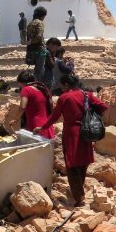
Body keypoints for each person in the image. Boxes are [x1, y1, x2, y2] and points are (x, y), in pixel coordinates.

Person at [36, 73, 108, 207]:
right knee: (83, 162)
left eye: (62, 85)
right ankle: (78, 192)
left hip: (72, 133)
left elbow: (54, 117)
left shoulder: (64, 97)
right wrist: (90, 114)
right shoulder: (87, 95)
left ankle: (79, 198)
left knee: (72, 164)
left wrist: (42, 127)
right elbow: (103, 106)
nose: (61, 88)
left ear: (67, 84)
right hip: (86, 132)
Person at [16, 72, 54, 138]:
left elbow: (22, 106)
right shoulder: (42, 88)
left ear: (21, 82)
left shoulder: (26, 89)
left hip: (36, 125)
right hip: (47, 124)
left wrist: (16, 119)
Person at [25, 7, 47, 83]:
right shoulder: (40, 23)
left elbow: (27, 38)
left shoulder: (30, 23)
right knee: (40, 70)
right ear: (43, 15)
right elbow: (39, 36)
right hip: (40, 49)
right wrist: (33, 41)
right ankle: (37, 86)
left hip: (31, 49)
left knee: (37, 69)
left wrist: (30, 43)